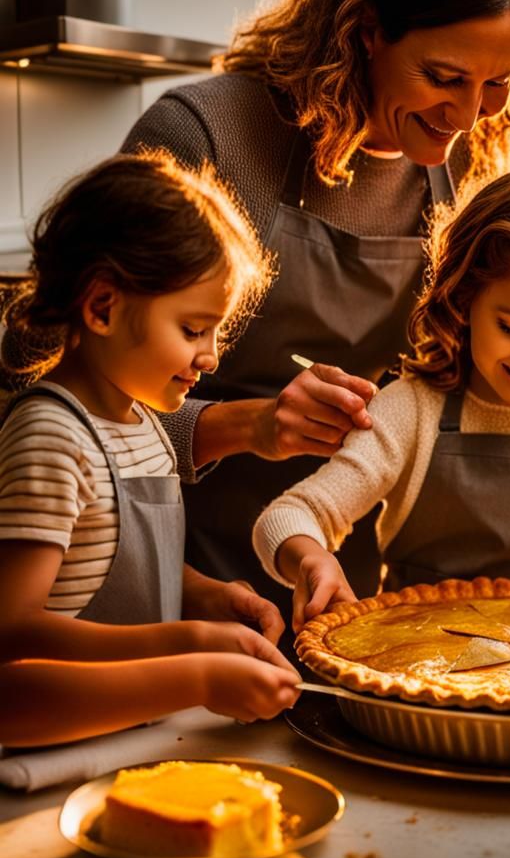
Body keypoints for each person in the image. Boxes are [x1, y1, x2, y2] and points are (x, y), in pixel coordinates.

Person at [120, 0, 510, 607]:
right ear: (364, 31)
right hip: (177, 574)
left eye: (497, 83)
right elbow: (62, 397)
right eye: (443, 76)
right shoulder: (208, 139)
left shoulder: (495, 162)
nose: (467, 116)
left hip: (370, 588)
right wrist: (246, 425)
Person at [252, 166, 510, 631]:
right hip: (412, 668)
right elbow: (286, 516)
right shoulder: (411, 410)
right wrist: (311, 560)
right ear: (465, 297)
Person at [0, 152, 299, 743]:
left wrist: (207, 597)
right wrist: (189, 654)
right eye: (192, 330)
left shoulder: (141, 421)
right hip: (54, 755)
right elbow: (11, 632)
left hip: (137, 737)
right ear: (103, 307)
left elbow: (100, 565)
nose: (210, 356)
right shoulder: (52, 438)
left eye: (216, 330)